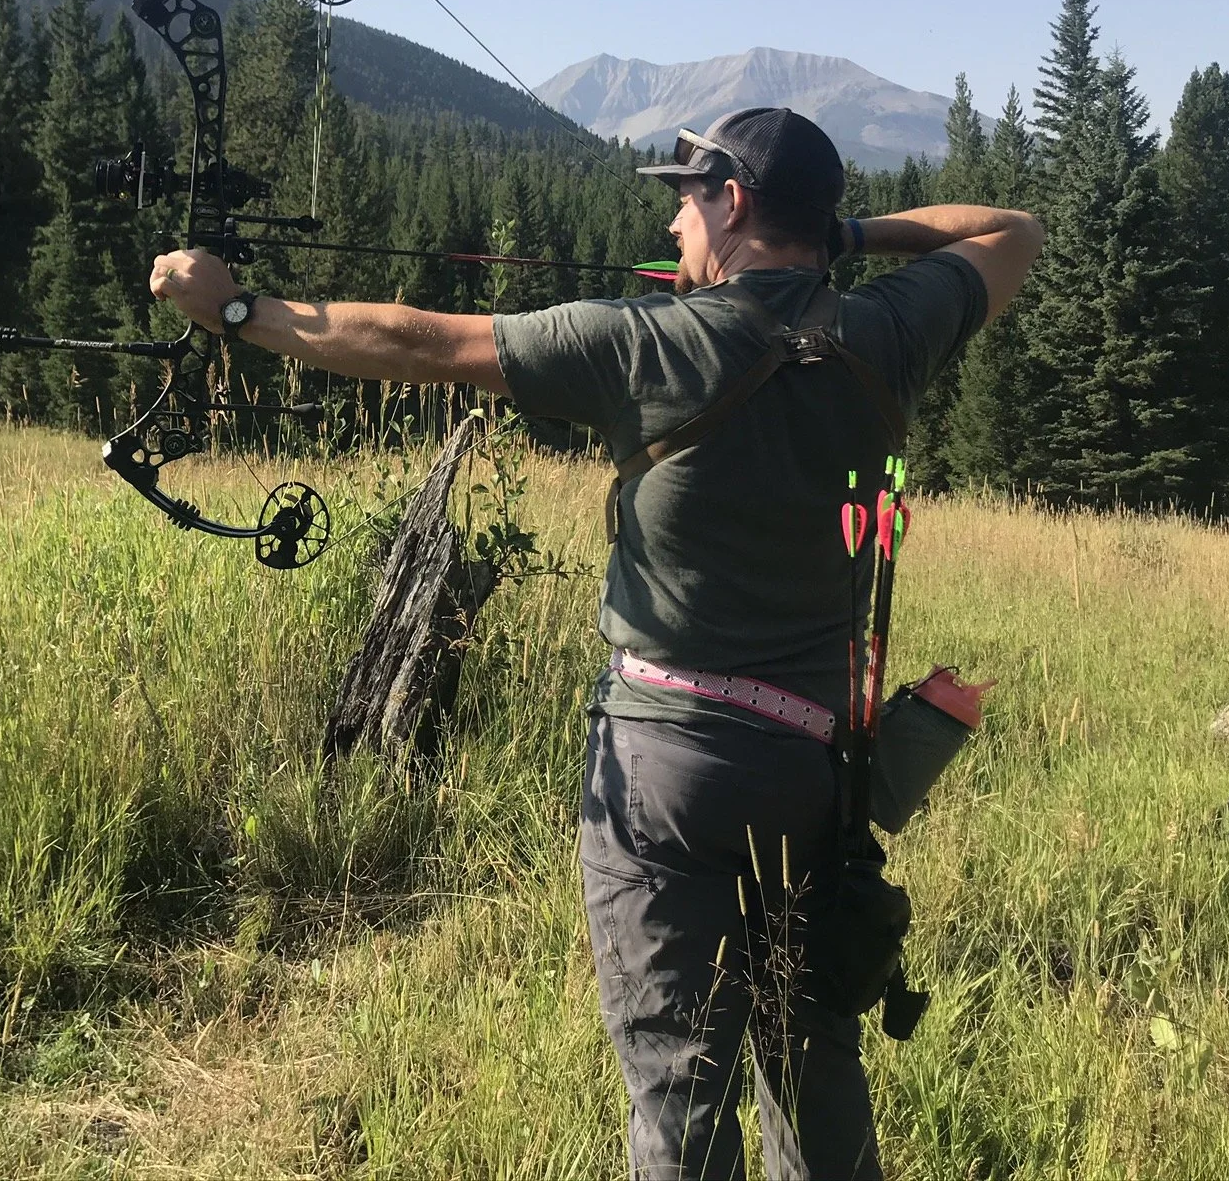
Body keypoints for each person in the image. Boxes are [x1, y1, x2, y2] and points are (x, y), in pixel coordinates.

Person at [149, 106, 1044, 1180]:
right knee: (814, 1081)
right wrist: (841, 240)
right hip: (814, 781)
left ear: (733, 201)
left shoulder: (643, 344)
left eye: (683, 196)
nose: (672, 224)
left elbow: (419, 342)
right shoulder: (886, 332)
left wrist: (238, 308)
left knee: (680, 1104)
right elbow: (1010, 231)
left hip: (663, 771)